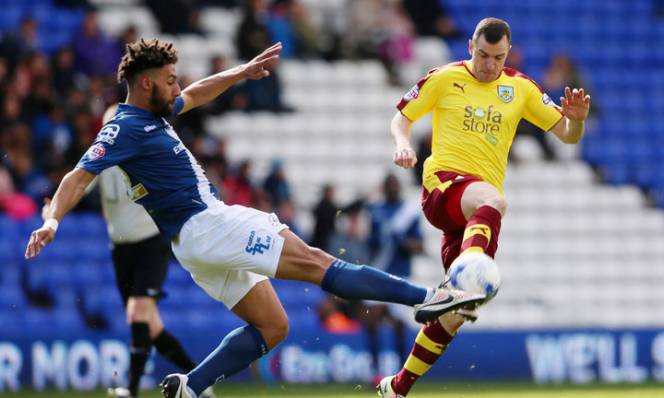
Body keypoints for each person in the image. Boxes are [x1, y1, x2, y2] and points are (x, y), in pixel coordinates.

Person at [24, 39, 484, 398]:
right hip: (209, 224)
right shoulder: (123, 126)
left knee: (273, 326)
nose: (175, 84)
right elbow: (78, 176)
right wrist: (52, 222)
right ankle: (428, 298)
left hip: (193, 245)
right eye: (168, 78)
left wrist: (241, 73)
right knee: (319, 263)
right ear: (146, 83)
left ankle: (190, 385)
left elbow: (196, 93)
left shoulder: (156, 116)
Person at [378, 17, 591, 397]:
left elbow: (567, 136)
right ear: (470, 48)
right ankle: (461, 275)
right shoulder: (444, 78)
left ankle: (397, 387)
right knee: (495, 202)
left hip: (474, 215)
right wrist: (402, 144)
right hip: (444, 187)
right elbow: (402, 117)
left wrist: (576, 123)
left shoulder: (521, 88)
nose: (489, 65)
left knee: (455, 315)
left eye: (498, 57)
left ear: (508, 53)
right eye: (482, 55)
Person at [40, 104, 214, 398]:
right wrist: (53, 213)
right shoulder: (101, 161)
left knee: (137, 312)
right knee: (151, 326)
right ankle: (199, 382)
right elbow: (79, 189)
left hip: (150, 242)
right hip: (121, 248)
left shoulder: (140, 156)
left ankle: (131, 390)